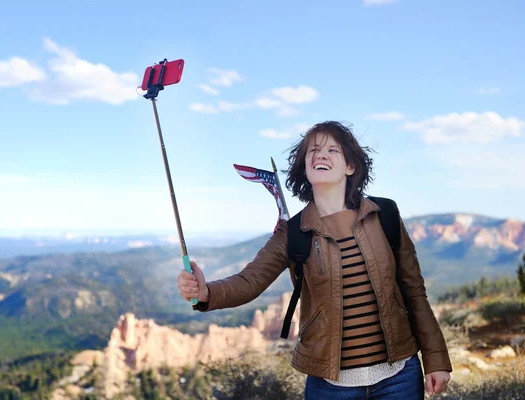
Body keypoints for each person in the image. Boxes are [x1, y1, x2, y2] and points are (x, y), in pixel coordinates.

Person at [177, 121, 452, 399]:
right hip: (330, 387)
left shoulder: (385, 214)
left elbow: (414, 292)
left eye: (333, 150)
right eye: (313, 150)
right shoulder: (293, 232)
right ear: (304, 168)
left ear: (350, 167)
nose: (320, 155)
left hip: (399, 379)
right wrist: (205, 292)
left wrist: (436, 358)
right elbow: (250, 282)